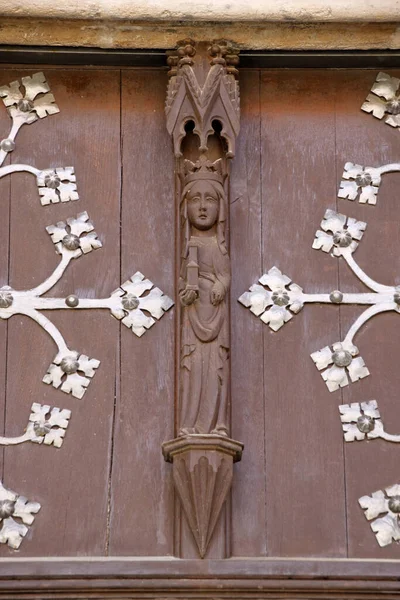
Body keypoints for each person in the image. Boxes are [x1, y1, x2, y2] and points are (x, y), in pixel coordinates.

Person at [178, 157, 230, 436]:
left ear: (220, 208)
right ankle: (192, 423)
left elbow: (225, 274)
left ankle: (214, 424)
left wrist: (221, 285)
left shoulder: (217, 247)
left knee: (214, 371)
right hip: (194, 319)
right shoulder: (188, 247)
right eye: (195, 199)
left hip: (216, 317)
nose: (201, 206)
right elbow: (182, 282)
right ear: (184, 206)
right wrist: (186, 293)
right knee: (193, 371)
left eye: (209, 199)